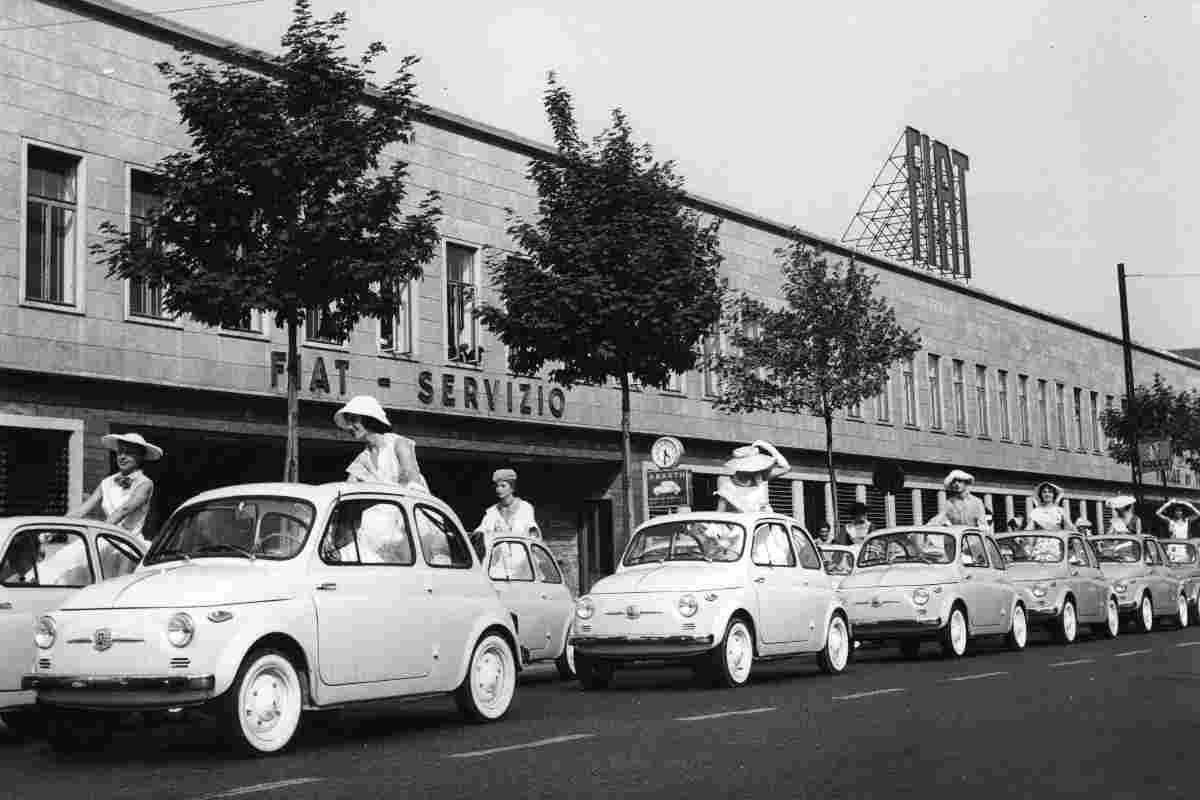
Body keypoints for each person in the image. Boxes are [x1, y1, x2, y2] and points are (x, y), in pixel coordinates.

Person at [70, 432, 161, 541]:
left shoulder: (145, 483)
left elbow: (124, 510)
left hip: (127, 543)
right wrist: (58, 525)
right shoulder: (107, 482)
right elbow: (83, 509)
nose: (122, 457)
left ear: (140, 457)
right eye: (120, 452)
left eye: (129, 453)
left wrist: (97, 534)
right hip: (106, 537)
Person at [335, 396, 428, 491]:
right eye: (347, 422)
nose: (349, 426)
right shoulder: (362, 460)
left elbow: (415, 485)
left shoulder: (398, 444)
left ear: (368, 418)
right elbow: (348, 490)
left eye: (354, 420)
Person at [473, 468, 540, 556]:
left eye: (503, 486)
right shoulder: (492, 512)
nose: (499, 489)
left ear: (512, 488)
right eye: (497, 486)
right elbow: (481, 532)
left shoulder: (525, 508)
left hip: (521, 563)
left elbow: (533, 533)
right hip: (499, 564)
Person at [715, 440, 790, 513]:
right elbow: (720, 512)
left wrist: (768, 447)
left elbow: (785, 468)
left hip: (763, 522)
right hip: (741, 524)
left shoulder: (760, 476)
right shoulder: (726, 484)